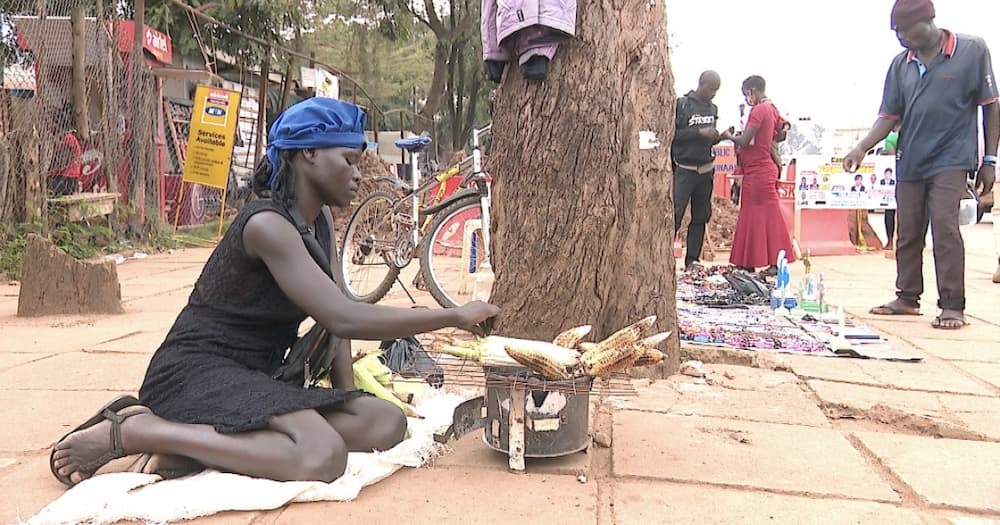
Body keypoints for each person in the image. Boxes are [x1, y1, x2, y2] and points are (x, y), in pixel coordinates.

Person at [49, 98, 500, 486]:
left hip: (257, 377)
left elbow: (333, 322)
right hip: (195, 374)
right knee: (322, 455)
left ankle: (199, 450)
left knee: (383, 422)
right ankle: (134, 432)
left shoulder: (318, 220)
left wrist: (343, 397)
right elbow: (344, 316)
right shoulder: (267, 225)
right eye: (348, 159)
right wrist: (454, 315)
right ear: (307, 153)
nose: (359, 174)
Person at [842, 0, 998, 330]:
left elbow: (991, 108)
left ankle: (952, 305)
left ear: (927, 22)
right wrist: (860, 147)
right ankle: (908, 297)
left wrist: (990, 159)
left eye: (903, 30)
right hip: (910, 158)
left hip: (951, 157)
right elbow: (888, 116)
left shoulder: (971, 51)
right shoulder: (901, 65)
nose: (899, 37)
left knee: (944, 228)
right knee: (908, 230)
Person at [721, 75, 796, 275]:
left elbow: (745, 140)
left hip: (759, 170)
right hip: (761, 168)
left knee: (764, 215)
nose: (747, 99)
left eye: (747, 95)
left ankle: (773, 261)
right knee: (754, 215)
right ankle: (753, 261)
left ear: (752, 91)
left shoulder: (759, 110)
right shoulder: (771, 108)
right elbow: (782, 131)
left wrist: (728, 136)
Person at [672, 70, 722, 271]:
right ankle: (664, 255)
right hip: (685, 168)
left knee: (701, 215)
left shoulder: (713, 108)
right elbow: (674, 134)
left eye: (716, 91)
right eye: (711, 89)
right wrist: (698, 132)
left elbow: (708, 138)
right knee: (675, 214)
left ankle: (692, 259)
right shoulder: (682, 105)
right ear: (701, 84)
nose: (713, 94)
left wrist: (718, 136)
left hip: (705, 169)